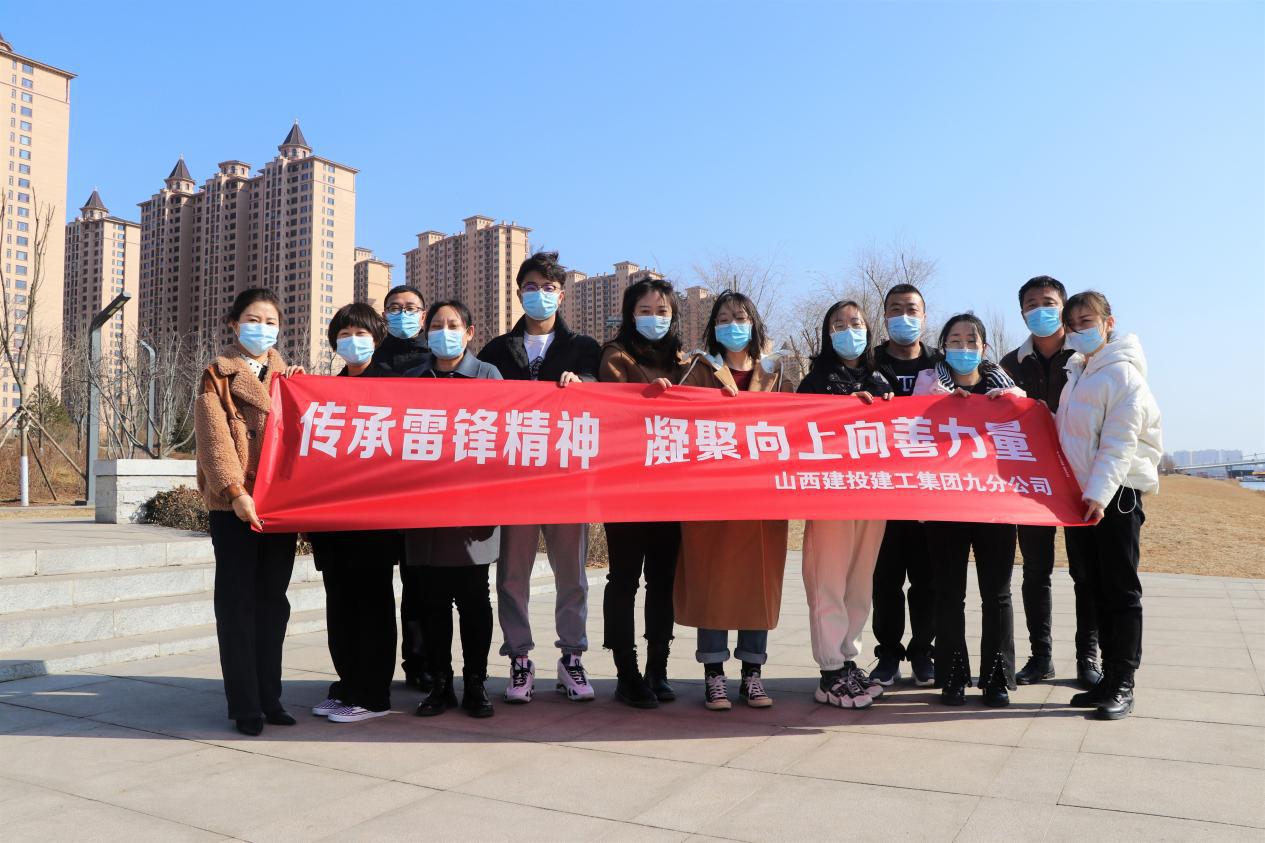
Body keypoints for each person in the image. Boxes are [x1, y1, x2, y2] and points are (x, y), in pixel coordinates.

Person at [477, 252, 602, 704]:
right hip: (515, 480)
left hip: (567, 478)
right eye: (531, 287)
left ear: (561, 296)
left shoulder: (583, 347)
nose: (540, 295)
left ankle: (572, 657)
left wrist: (584, 384)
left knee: (572, 575)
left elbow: (604, 391)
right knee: (512, 576)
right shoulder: (496, 350)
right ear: (519, 293)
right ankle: (519, 659)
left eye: (548, 288)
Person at [194, 288, 304, 736]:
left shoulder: (290, 377)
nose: (262, 328)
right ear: (234, 324)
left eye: (270, 321)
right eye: (253, 320)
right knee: (237, 605)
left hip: (277, 507)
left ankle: (270, 697)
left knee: (272, 604)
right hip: (234, 505)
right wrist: (236, 492)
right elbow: (213, 439)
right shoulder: (217, 374)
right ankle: (245, 704)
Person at [677, 291, 793, 710]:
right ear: (713, 328)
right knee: (713, 583)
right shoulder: (697, 369)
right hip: (711, 496)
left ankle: (752, 674)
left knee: (756, 585)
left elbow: (798, 424)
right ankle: (714, 674)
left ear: (754, 324)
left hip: (761, 497)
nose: (733, 325)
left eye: (740, 318)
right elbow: (677, 419)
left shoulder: (777, 373)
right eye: (724, 319)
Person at [1056, 291, 1161, 720]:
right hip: (1083, 498)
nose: (1079, 330)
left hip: (1114, 496)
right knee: (1094, 587)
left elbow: (1119, 442)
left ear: (1108, 323)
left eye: (1087, 321)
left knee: (1121, 590)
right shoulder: (1077, 374)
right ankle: (1107, 678)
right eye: (1072, 324)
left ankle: (1123, 682)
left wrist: (1099, 494)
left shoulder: (1122, 374)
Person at [914, 313, 1025, 706]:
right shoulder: (927, 386)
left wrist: (1009, 405)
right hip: (945, 505)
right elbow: (910, 430)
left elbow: (1030, 431)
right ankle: (953, 676)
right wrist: (940, 405)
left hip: (995, 506)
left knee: (997, 595)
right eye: (955, 340)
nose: (964, 347)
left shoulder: (1008, 392)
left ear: (984, 347)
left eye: (971, 340)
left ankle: (996, 678)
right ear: (943, 347)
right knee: (949, 595)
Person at [1000, 276, 1101, 690]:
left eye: (1048, 302)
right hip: (1032, 485)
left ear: (1063, 307)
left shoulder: (1086, 356)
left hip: (1079, 478)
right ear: (1022, 312)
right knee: (1035, 572)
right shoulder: (1008, 364)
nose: (1040, 309)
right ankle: (1040, 657)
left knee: (1085, 572)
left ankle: (1088, 656)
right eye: (1031, 304)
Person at [405, 300, 504, 718]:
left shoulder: (489, 375)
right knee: (432, 602)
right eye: (436, 325)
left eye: (453, 325)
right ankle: (441, 684)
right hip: (424, 508)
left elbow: (503, 435)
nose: (444, 332)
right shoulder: (412, 379)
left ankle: (476, 683)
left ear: (469, 332)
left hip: (473, 509)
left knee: (474, 600)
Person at [796, 300, 895, 709]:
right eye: (838, 324)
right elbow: (799, 431)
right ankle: (830, 669)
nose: (848, 330)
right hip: (831, 494)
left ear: (868, 329)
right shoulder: (815, 380)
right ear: (827, 333)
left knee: (859, 583)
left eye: (855, 322)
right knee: (828, 581)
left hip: (873, 493)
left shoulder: (881, 378)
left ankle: (849, 658)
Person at [308, 304, 400, 723]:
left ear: (377, 339)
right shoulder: (325, 391)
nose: (352, 341)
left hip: (374, 521)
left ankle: (374, 695)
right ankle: (347, 685)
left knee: (372, 606)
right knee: (340, 606)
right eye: (344, 334)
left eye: (361, 333)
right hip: (333, 522)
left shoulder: (395, 387)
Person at [598, 278, 688, 709]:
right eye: (645, 311)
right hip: (626, 488)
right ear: (630, 315)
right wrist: (650, 400)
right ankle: (626, 672)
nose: (654, 319)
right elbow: (614, 411)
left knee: (662, 581)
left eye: (662, 311)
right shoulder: (616, 356)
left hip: (672, 489)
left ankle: (658, 667)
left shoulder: (686, 362)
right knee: (623, 580)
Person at [869, 283, 939, 687]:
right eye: (896, 310)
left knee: (927, 581)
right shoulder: (868, 364)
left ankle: (923, 653)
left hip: (929, 492)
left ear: (924, 317)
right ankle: (888, 654)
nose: (904, 317)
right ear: (885, 318)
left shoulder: (942, 363)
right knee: (885, 581)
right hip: (883, 491)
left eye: (912, 309)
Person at [372, 284, 433, 693]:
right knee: (377, 582)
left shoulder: (436, 360)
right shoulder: (371, 359)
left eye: (410, 308)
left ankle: (419, 662)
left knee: (419, 583)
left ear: (423, 316)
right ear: (384, 316)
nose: (403, 313)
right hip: (377, 487)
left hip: (421, 489)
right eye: (395, 308)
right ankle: (374, 666)